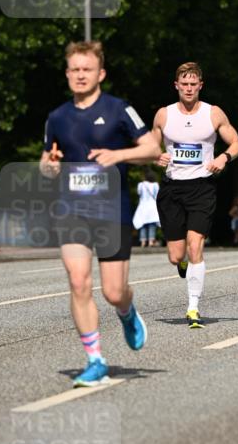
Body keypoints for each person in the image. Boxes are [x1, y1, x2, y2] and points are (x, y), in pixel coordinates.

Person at [40, 41, 159, 386]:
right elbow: (47, 164)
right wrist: (49, 165)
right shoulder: (57, 117)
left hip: (111, 209)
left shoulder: (119, 109)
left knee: (113, 291)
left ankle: (127, 309)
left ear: (100, 73)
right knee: (78, 281)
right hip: (71, 208)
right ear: (67, 74)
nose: (80, 75)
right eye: (74, 69)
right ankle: (95, 359)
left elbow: (153, 148)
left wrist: (118, 156)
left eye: (86, 69)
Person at [152, 61, 238, 328]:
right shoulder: (164, 115)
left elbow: (237, 142)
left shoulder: (213, 114)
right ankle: (182, 264)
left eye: (194, 84)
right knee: (175, 255)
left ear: (200, 86)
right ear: (176, 85)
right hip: (171, 189)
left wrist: (224, 158)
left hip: (202, 188)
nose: (189, 88)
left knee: (195, 246)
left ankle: (193, 307)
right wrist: (156, 155)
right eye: (185, 84)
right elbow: (147, 145)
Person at [133, 168, 160, 247]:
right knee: (152, 224)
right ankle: (151, 241)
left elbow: (139, 193)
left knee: (143, 224)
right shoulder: (155, 185)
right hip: (152, 206)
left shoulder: (141, 185)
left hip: (143, 206)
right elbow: (157, 195)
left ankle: (143, 241)